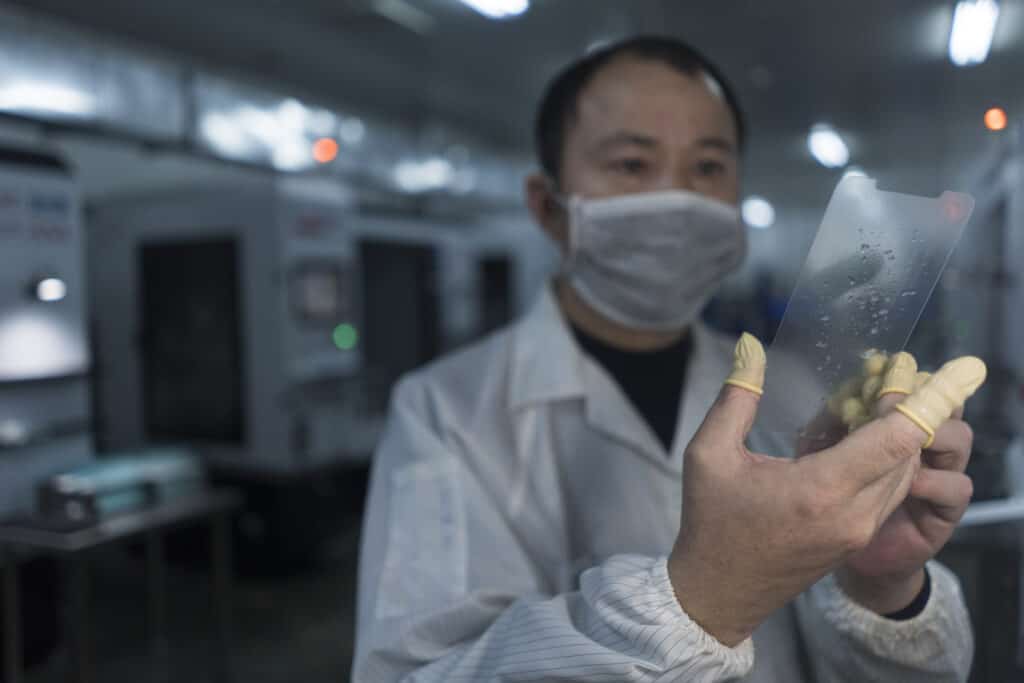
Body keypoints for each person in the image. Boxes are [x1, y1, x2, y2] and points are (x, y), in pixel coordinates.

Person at [353, 36, 980, 682]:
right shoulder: (444, 409)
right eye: (631, 164)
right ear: (549, 206)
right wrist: (706, 595)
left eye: (708, 168)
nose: (678, 200)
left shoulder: (795, 392)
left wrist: (877, 587)